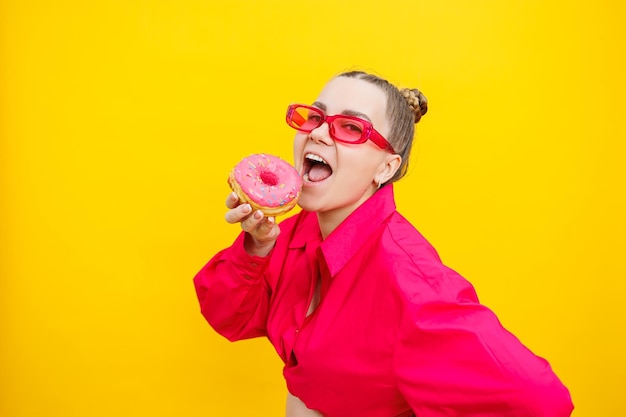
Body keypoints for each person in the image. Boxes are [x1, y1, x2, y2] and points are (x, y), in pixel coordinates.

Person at [193, 70, 574, 416]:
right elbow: (228, 316)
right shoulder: (295, 233)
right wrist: (256, 249)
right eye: (315, 117)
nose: (319, 132)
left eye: (351, 128)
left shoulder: (410, 285)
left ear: (386, 168)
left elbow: (542, 401)